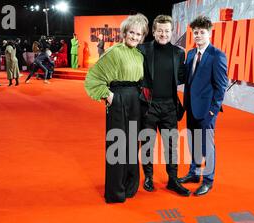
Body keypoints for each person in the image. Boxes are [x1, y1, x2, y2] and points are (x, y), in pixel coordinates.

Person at [84, 13, 149, 203]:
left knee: (131, 146)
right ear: (124, 32)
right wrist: (109, 96)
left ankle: (130, 186)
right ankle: (115, 192)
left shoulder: (139, 54)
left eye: (139, 34)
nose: (135, 37)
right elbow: (93, 78)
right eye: (132, 33)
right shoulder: (114, 52)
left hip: (135, 101)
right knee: (117, 146)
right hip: (118, 100)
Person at [138, 15, 190, 197]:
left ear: (172, 31)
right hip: (149, 106)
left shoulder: (178, 53)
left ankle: (173, 180)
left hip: (169, 106)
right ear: (154, 31)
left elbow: (183, 76)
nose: (163, 34)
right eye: (160, 30)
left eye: (167, 31)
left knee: (171, 146)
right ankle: (148, 177)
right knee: (147, 145)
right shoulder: (142, 49)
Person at [178, 16, 228, 196]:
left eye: (202, 32)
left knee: (207, 146)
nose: (198, 35)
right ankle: (194, 173)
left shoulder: (217, 56)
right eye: (196, 32)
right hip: (190, 107)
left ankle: (208, 180)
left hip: (207, 110)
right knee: (193, 142)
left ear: (209, 33)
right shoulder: (191, 53)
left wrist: (213, 110)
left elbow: (221, 86)